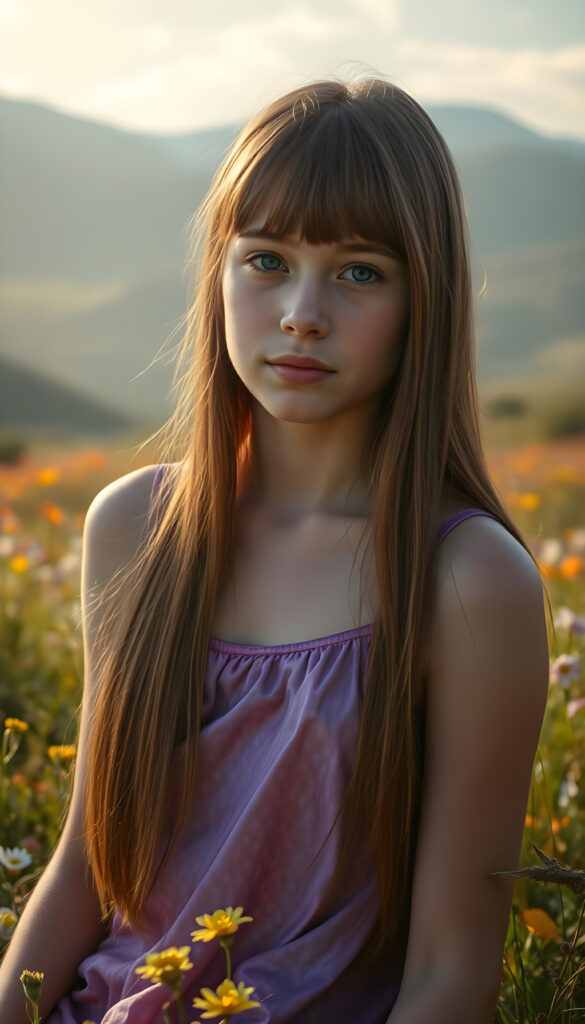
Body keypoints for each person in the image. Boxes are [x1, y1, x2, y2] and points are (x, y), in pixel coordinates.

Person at [0, 77, 550, 1024]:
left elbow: (450, 975)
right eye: (265, 261)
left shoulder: (466, 579)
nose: (301, 312)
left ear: (428, 298)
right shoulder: (135, 528)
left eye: (359, 272)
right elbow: (83, 871)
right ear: (217, 273)